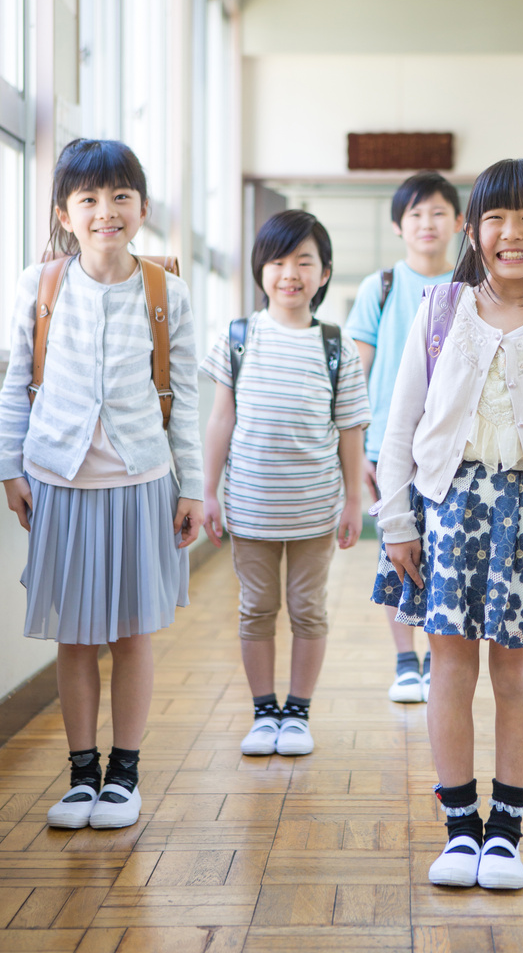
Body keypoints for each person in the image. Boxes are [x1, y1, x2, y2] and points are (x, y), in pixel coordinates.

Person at [372, 158, 523, 890]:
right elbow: (401, 423)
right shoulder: (440, 309)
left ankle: (505, 831)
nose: (512, 233)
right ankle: (459, 827)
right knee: (450, 669)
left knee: (518, 675)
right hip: (444, 514)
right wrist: (395, 519)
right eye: (496, 218)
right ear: (473, 231)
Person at [0, 138, 204, 831]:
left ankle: (125, 773)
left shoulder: (164, 289)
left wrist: (192, 488)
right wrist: (9, 468)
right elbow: (16, 386)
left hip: (141, 480)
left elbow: (186, 397)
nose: (105, 211)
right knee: (75, 638)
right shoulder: (41, 284)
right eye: (88, 199)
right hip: (59, 480)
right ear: (65, 211)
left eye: (120, 197)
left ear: (142, 208)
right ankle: (81, 772)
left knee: (133, 635)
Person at [201, 210, 369, 758]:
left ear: (324, 274)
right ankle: (262, 711)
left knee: (307, 609)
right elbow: (220, 419)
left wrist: (352, 501)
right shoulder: (238, 338)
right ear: (260, 269)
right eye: (278, 261)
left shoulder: (337, 347)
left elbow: (350, 432)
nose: (290, 273)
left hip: (315, 508)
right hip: (250, 506)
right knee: (255, 608)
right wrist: (207, 492)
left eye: (304, 261)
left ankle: (297, 713)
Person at [346, 171, 463, 703]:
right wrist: (360, 447)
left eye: (438, 212)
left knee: (447, 553)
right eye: (415, 214)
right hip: (387, 450)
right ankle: (404, 661)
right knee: (394, 551)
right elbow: (357, 369)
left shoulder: (469, 284)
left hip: (453, 447)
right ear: (398, 226)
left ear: (459, 222)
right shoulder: (381, 287)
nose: (427, 223)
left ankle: (439, 657)